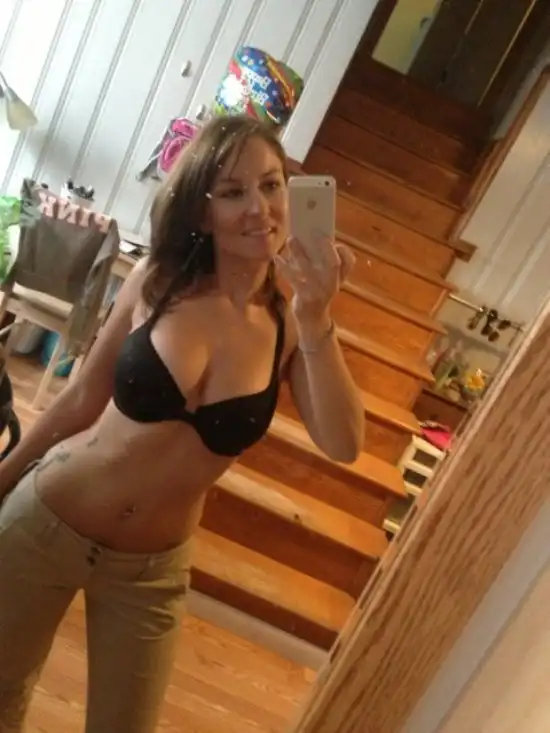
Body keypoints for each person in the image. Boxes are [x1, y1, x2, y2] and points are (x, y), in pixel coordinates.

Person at [0, 114, 364, 733]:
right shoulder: (158, 281)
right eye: (233, 192)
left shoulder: (290, 324)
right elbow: (81, 397)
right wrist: (3, 479)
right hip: (47, 521)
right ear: (203, 211)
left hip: (148, 575)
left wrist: (315, 315)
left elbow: (344, 442)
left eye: (271, 185)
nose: (260, 208)